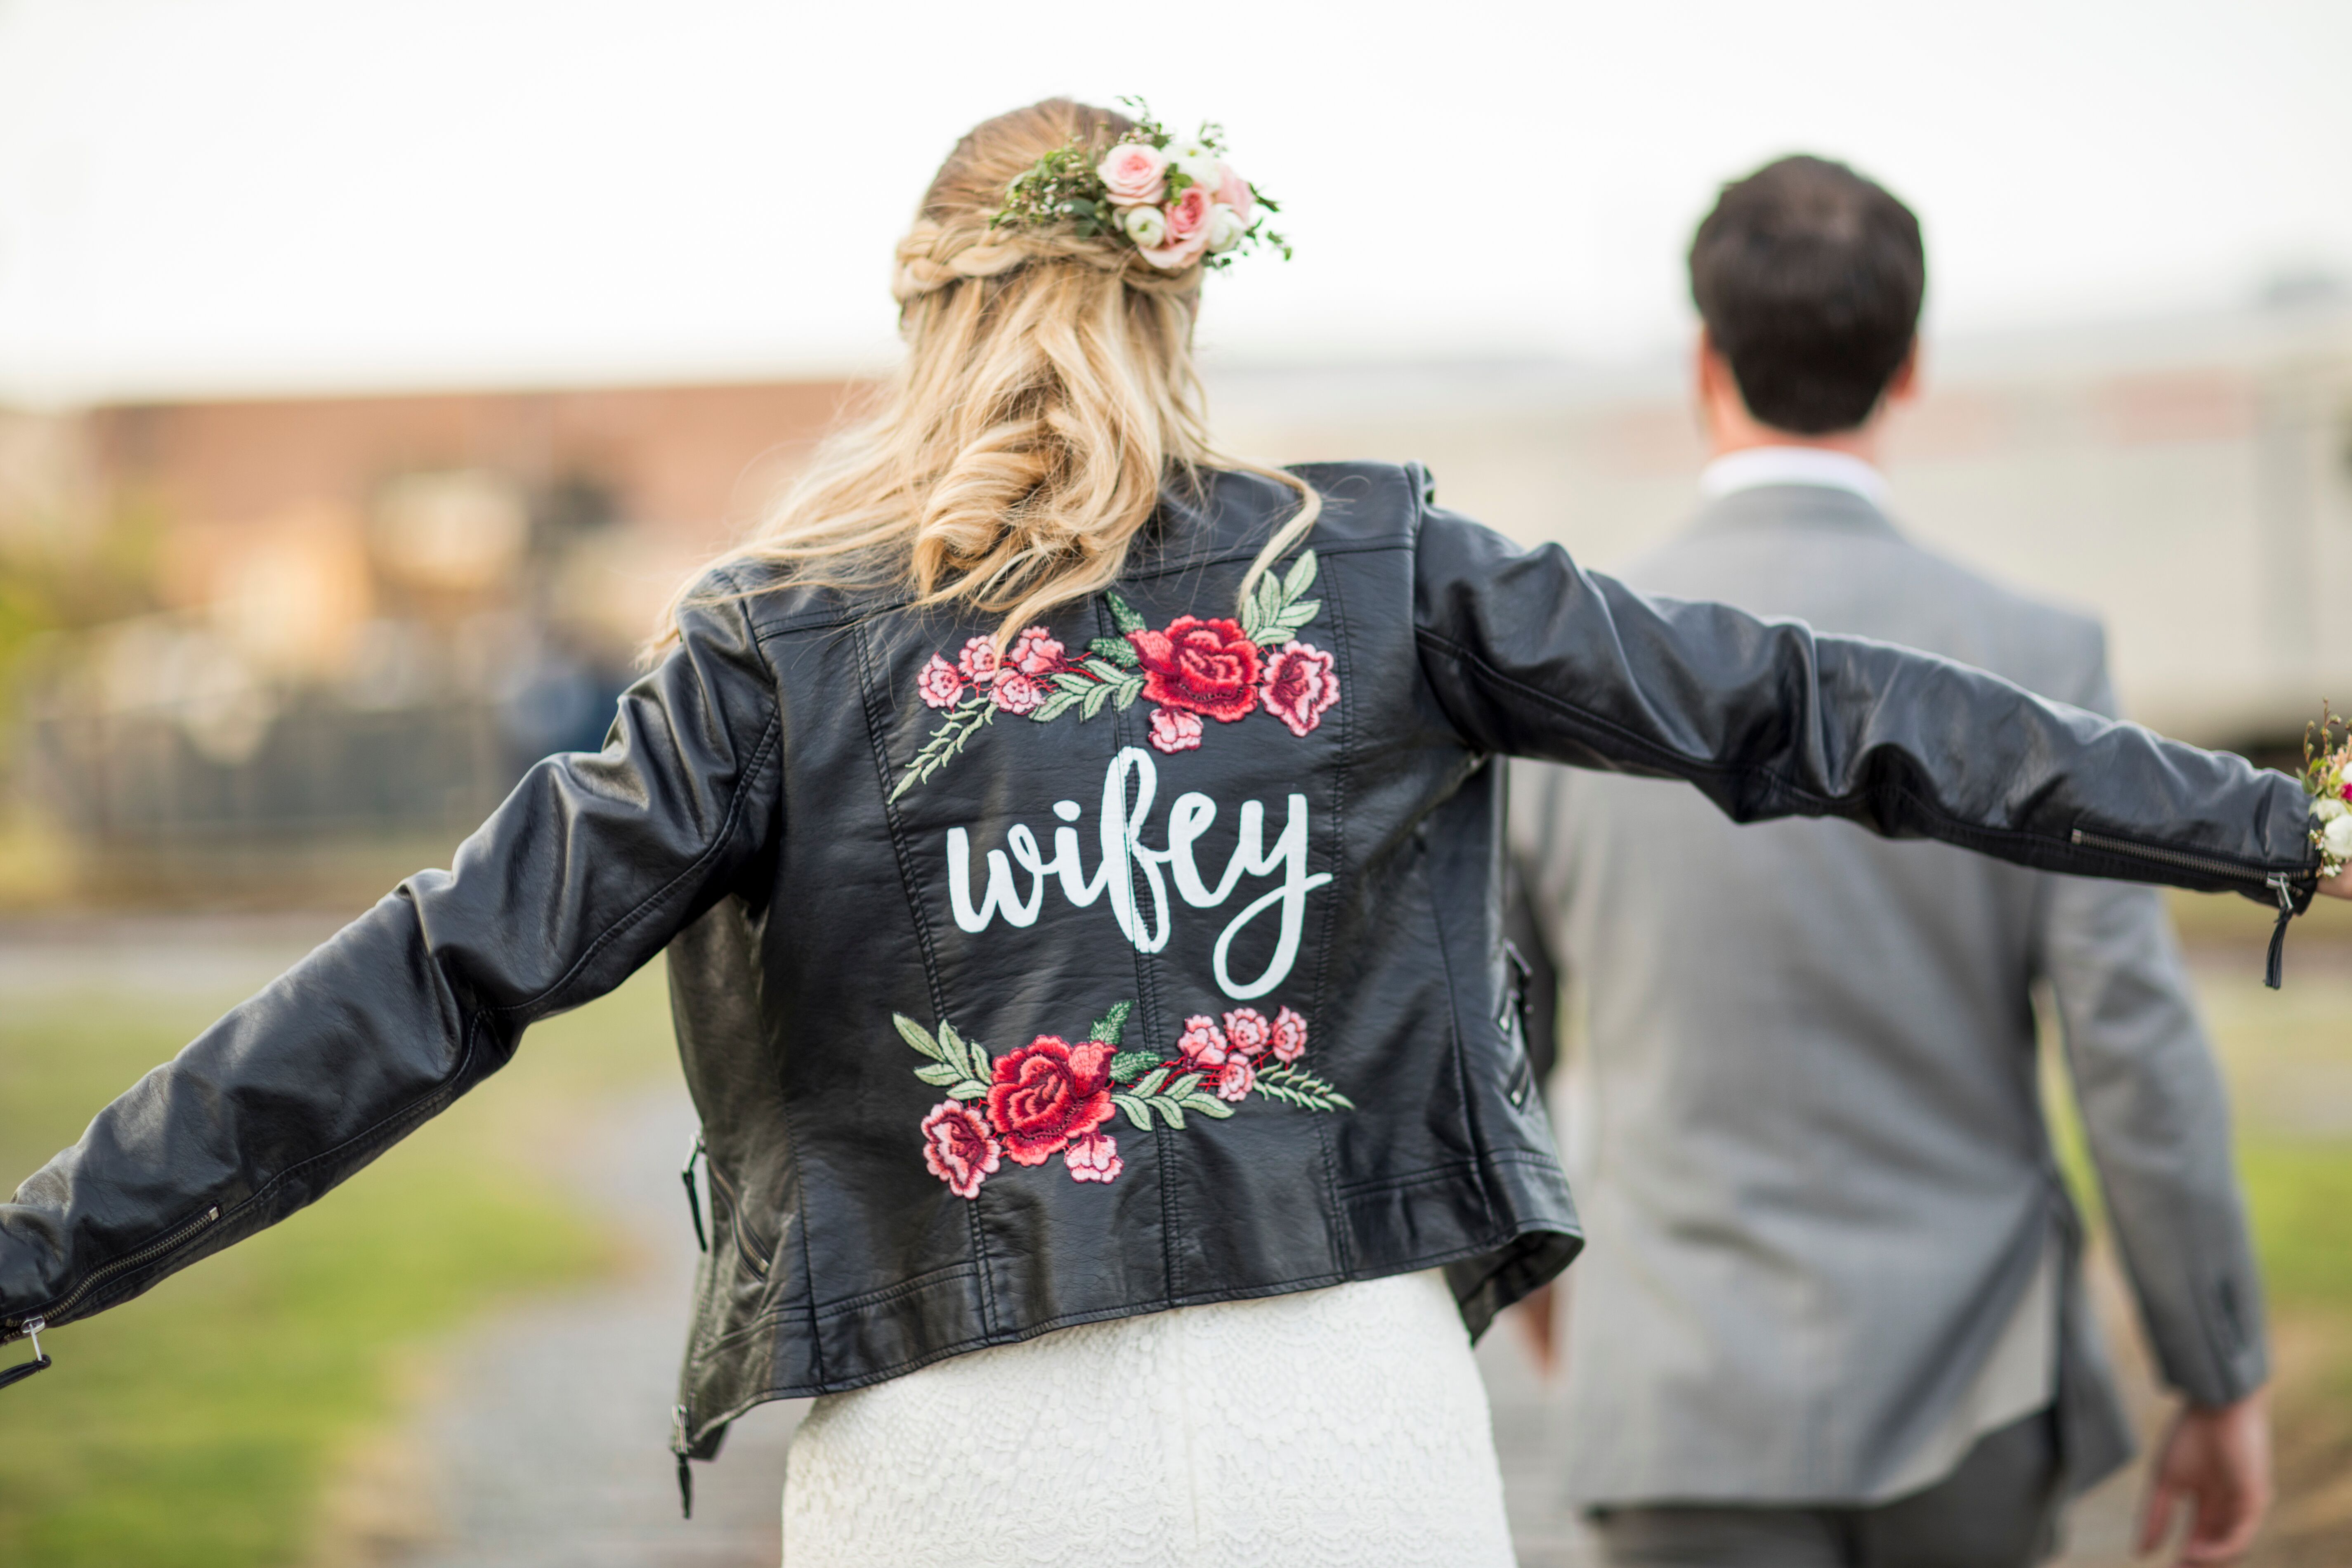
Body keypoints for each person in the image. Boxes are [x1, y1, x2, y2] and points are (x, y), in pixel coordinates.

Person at [0, 105, 2329, 1568]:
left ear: (924, 326)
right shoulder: (1394, 567)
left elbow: (433, 977)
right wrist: (2272, 824)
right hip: (1349, 1429)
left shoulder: (770, 649)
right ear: (1178, 298)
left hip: (957, 1470)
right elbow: (1818, 716)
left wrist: (34, 1259)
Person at [1511, 155, 2276, 1568]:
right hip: (1969, 1380)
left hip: (1673, 1391)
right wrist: (2213, 1368)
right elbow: (2132, 1052)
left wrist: (1542, 1299)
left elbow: (1493, 1048)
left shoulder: (1565, 668)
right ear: (1910, 365)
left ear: (1703, 356)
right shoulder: (2042, 659)